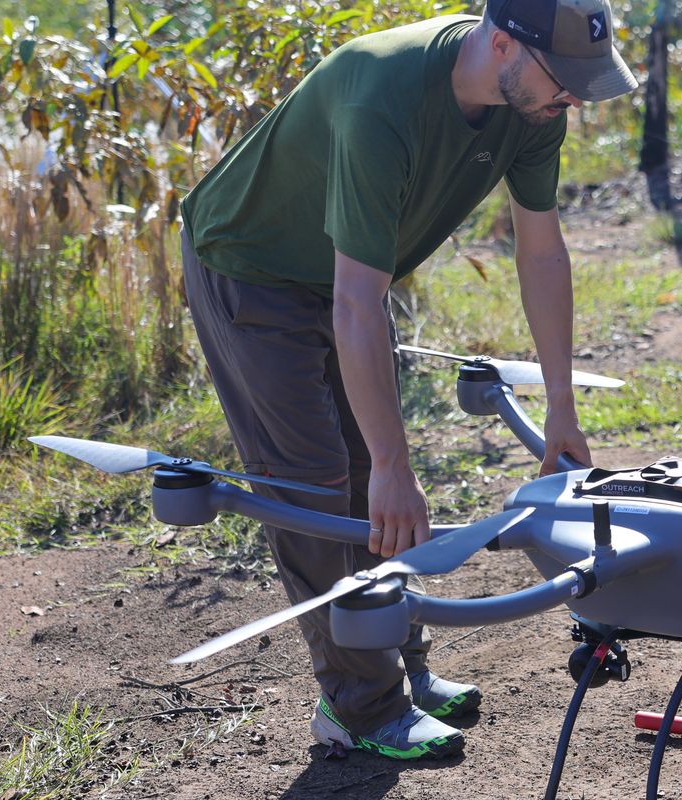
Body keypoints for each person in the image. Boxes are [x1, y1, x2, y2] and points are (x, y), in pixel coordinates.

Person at [179, 0, 636, 761]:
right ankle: (358, 706)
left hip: (346, 277)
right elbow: (357, 302)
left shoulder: (532, 108)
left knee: (376, 485)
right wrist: (392, 465)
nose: (576, 99)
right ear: (502, 45)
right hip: (250, 268)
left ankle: (401, 668)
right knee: (320, 487)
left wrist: (561, 408)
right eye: (566, 81)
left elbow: (542, 253)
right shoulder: (382, 95)